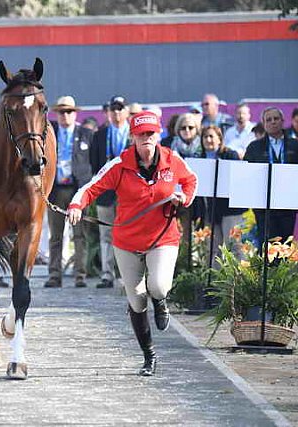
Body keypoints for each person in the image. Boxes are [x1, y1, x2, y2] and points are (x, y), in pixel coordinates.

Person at [67, 111, 198, 376]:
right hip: (126, 240)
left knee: (158, 286)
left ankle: (160, 301)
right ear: (133, 137)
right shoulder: (120, 164)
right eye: (141, 134)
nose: (146, 138)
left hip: (163, 237)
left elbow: (191, 181)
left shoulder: (173, 160)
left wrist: (183, 198)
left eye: (151, 133)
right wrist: (76, 205)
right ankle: (149, 356)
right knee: (137, 302)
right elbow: (91, 187)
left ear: (159, 135)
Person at [244, 107, 298, 246]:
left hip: (288, 206)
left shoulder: (297, 146)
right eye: (268, 119)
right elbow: (246, 176)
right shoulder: (254, 147)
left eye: (276, 119)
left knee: (285, 247)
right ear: (263, 124)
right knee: (266, 248)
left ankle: (283, 269)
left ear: (282, 121)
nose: (273, 122)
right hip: (264, 207)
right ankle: (268, 269)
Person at [43, 95, 93, 288]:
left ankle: (80, 274)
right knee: (56, 236)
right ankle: (54, 274)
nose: (65, 115)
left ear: (75, 113)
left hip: (77, 189)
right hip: (55, 189)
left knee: (80, 235)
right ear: (56, 113)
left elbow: (94, 162)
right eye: (62, 112)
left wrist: (88, 188)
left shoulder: (86, 134)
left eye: (69, 111)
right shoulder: (50, 133)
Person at [90, 95, 130, 288]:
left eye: (120, 108)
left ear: (127, 111)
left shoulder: (134, 134)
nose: (116, 112)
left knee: (128, 232)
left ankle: (128, 274)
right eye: (113, 109)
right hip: (106, 191)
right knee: (105, 233)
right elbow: (94, 163)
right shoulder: (99, 135)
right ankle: (107, 274)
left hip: (129, 193)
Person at [200, 126, 246, 254]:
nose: (208, 140)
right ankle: (215, 274)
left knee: (234, 246)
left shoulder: (230, 155)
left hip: (231, 209)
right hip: (212, 209)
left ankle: (238, 274)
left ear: (219, 139)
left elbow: (239, 180)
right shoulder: (199, 157)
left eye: (211, 136)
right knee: (214, 248)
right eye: (205, 137)